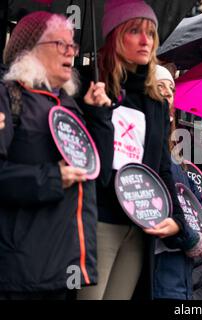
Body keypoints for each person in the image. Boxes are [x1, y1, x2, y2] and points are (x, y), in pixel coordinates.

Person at [76, 0, 193, 300]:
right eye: (135, 31)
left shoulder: (155, 100)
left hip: (140, 225)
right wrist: (97, 113)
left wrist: (176, 219)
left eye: (151, 33)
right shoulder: (90, 87)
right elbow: (91, 166)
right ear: (115, 36)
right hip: (99, 220)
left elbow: (162, 167)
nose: (145, 41)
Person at [0, 11, 105, 299]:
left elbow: (100, 173)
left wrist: (98, 115)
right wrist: (52, 178)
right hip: (20, 274)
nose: (71, 51)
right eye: (61, 44)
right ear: (29, 49)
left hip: (65, 270)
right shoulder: (8, 97)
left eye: (73, 44)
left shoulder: (71, 105)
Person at [152, 65, 202, 300]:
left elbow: (198, 210)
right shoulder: (146, 151)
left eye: (171, 88)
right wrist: (192, 239)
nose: (167, 93)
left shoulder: (178, 161)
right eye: (159, 86)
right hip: (159, 269)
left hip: (182, 275)